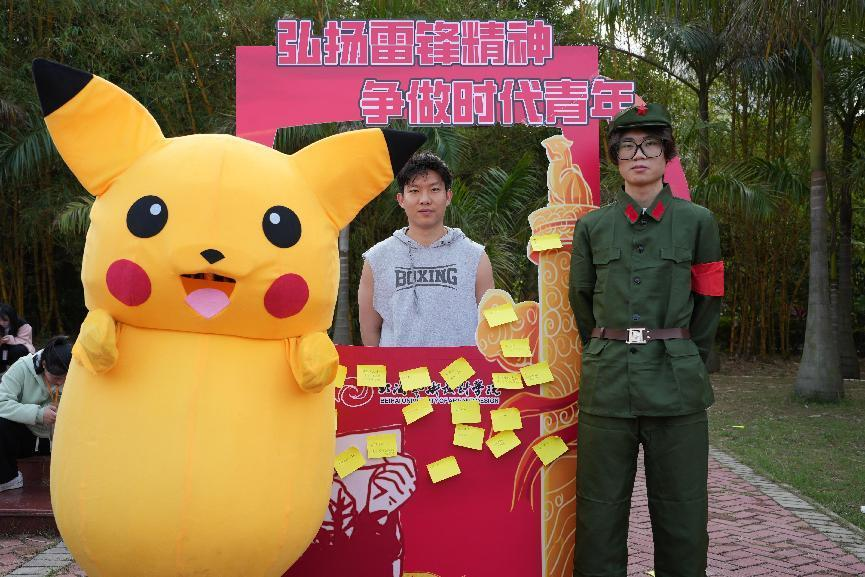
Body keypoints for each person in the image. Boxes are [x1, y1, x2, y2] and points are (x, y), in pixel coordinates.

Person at [569, 103, 723, 577]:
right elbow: (581, 300)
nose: (639, 155)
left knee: (682, 511)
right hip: (608, 385)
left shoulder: (698, 221)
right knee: (598, 511)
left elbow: (709, 300)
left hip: (677, 387)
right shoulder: (592, 227)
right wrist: (606, 347)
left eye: (650, 145)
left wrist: (687, 356)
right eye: (628, 147)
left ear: (666, 154)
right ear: (615, 158)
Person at [359, 152, 494, 347]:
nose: (425, 199)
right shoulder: (377, 259)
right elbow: (370, 330)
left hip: (462, 367)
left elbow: (490, 325)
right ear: (401, 199)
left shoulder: (475, 256)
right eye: (414, 190)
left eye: (434, 189)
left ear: (448, 196)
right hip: (399, 367)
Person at [0, 335, 73, 491]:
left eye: (65, 377)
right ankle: (8, 478)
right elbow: (2, 403)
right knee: (2, 423)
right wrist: (38, 414)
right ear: (44, 364)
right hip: (26, 435)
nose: (60, 382)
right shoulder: (21, 368)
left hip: (60, 437)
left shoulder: (78, 372)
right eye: (56, 377)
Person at [0, 303, 35, 373]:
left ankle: (18, 370)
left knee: (18, 350)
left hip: (17, 349)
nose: (1, 323)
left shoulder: (24, 325)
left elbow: (25, 341)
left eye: (5, 320)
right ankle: (2, 368)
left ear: (11, 318)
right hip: (3, 349)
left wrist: (10, 339)